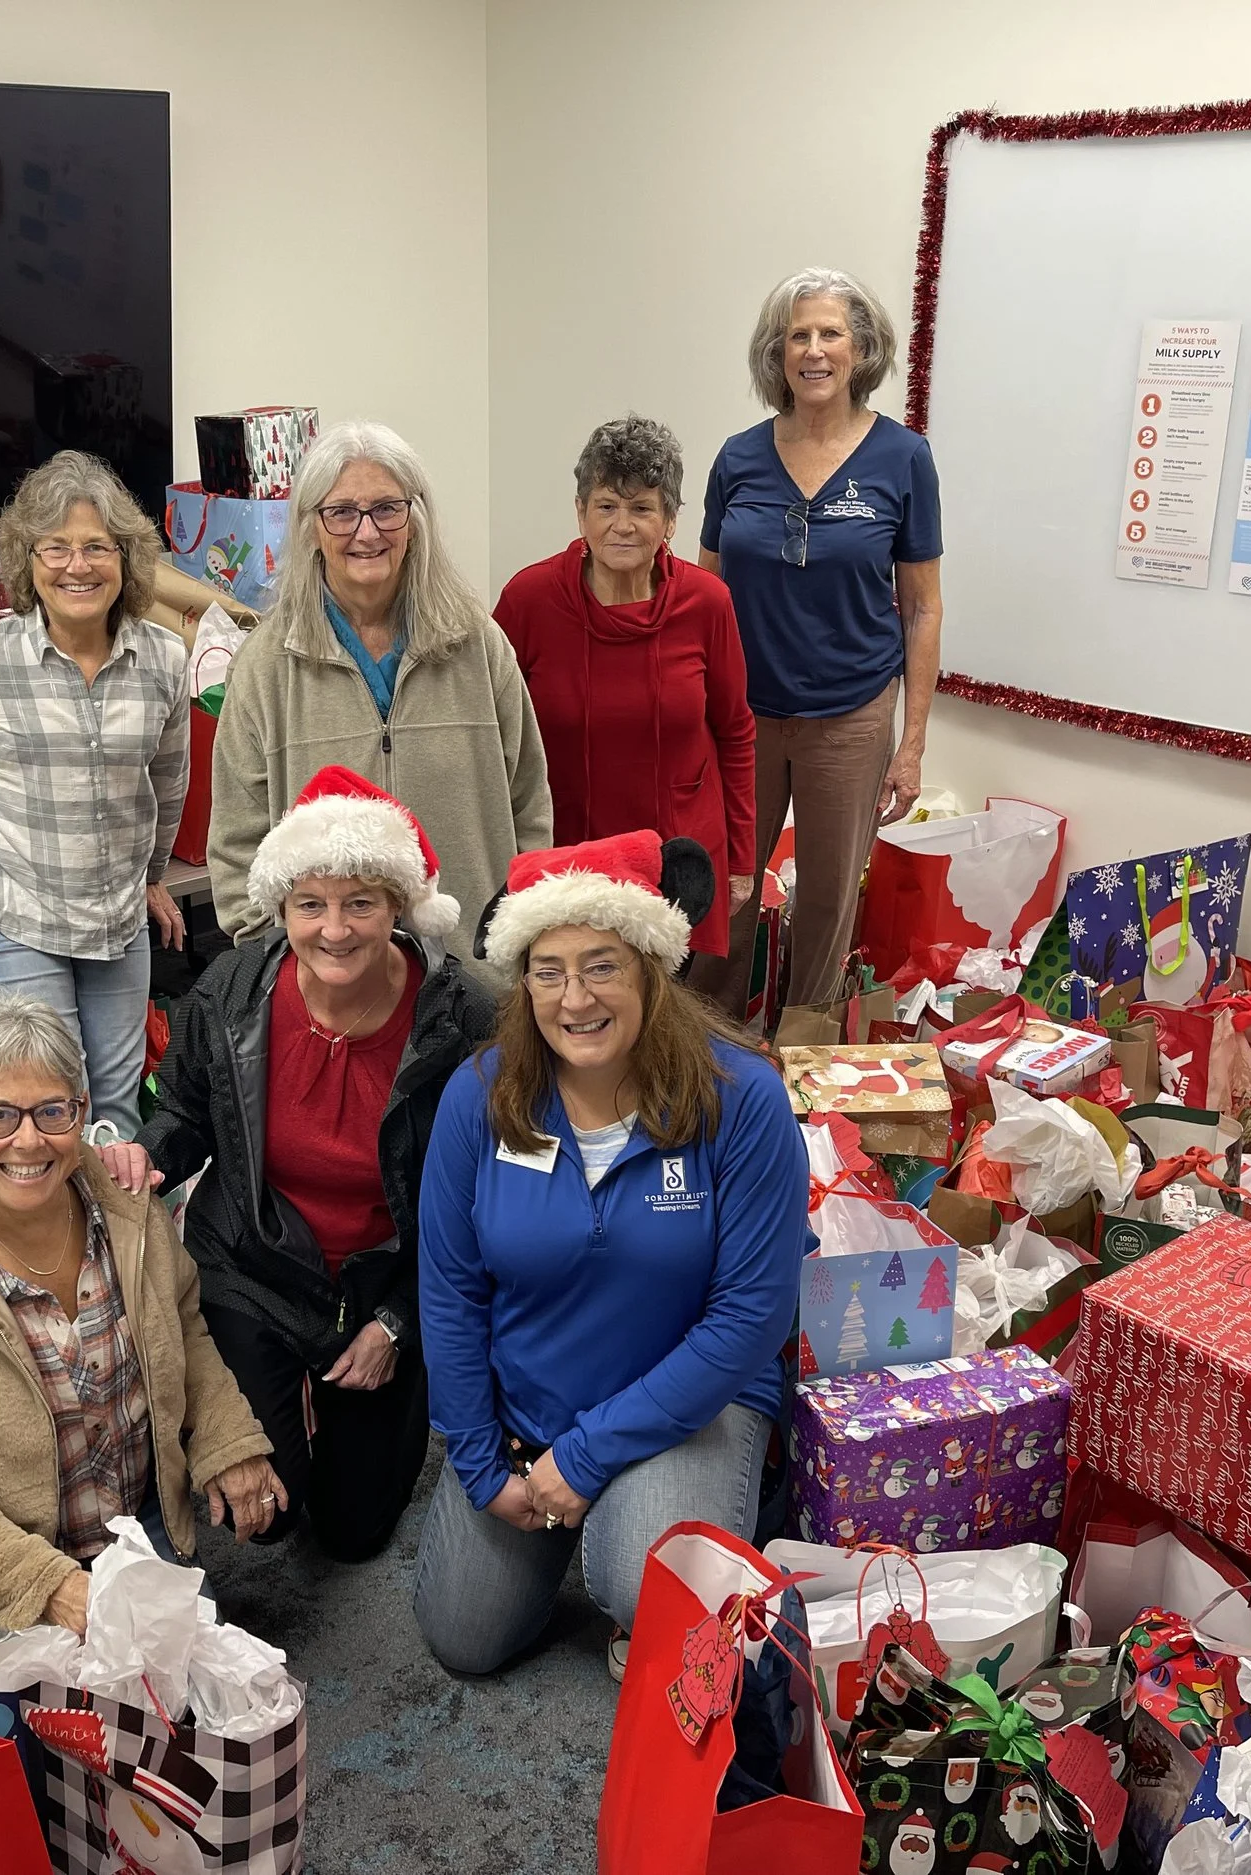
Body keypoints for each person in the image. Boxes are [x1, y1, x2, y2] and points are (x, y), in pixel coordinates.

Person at [412, 831, 809, 1678]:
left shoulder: (742, 1099)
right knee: (462, 1636)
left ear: (651, 970)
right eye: (547, 968)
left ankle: (651, 1535)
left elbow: (749, 1316)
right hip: (529, 1408)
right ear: (521, 981)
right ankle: (596, 1520)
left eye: (602, 965)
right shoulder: (478, 1097)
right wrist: (482, 1464)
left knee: (645, 1581)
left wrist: (587, 1457)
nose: (574, 997)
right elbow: (449, 1291)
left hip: (692, 1404)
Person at [99, 767, 494, 1561]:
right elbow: (186, 1113)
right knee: (267, 1517)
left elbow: (486, 1208)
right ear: (282, 909)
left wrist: (399, 1323)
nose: (335, 928)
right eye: (311, 904)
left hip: (384, 1285)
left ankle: (363, 1406)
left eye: (361, 903)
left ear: (400, 906)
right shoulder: (232, 990)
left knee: (353, 1533)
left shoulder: (463, 1018)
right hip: (254, 1264)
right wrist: (143, 1153)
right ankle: (277, 1401)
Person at [0, 997, 283, 1634]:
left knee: (191, 1716)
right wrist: (50, 1589)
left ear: (82, 1111)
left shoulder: (129, 1213)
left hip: (144, 1524)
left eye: (52, 1111)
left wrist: (226, 1440)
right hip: (5, 1585)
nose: (28, 1140)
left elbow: (181, 1327)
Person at [0, 451, 189, 1134]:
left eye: (96, 548)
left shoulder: (165, 660)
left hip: (114, 916)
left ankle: (113, 1241)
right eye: (56, 548)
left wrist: (150, 877)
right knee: (55, 1101)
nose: (76, 566)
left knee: (115, 1111)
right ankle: (50, 1240)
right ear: (28, 560)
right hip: (9, 907)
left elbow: (166, 783)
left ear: (127, 559)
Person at [689, 268, 945, 1019]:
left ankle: (804, 1072)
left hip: (851, 715)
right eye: (797, 334)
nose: (814, 349)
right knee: (726, 894)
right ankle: (701, 1050)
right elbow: (701, 599)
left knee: (828, 908)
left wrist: (913, 742)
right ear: (777, 353)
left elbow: (921, 607)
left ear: (861, 348)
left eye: (830, 332)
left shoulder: (903, 459)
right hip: (742, 719)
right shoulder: (738, 458)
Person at [206, 420, 553, 965]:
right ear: (311, 528)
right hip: (327, 989)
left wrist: (519, 937)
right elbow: (234, 847)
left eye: (387, 508)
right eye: (341, 512)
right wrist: (281, 962)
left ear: (415, 520)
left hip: (477, 982)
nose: (367, 533)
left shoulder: (478, 644)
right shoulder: (266, 664)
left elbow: (529, 804)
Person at [494, 416, 756, 961]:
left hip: (676, 859)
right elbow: (493, 735)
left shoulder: (708, 603)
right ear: (581, 512)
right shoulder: (529, 600)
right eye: (606, 506)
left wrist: (742, 859)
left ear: (671, 520)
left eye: (642, 508)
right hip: (565, 856)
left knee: (660, 1020)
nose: (623, 525)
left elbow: (734, 733)